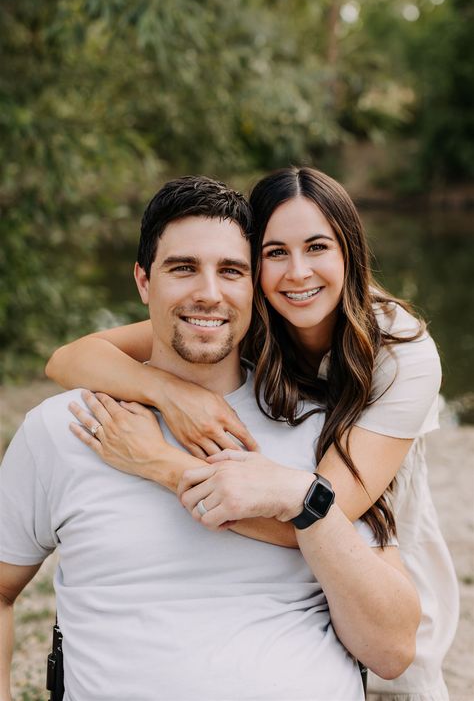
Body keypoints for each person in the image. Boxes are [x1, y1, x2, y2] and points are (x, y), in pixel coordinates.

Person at [0, 176, 420, 701]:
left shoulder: (323, 430)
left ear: (253, 289)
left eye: (231, 271)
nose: (209, 292)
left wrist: (301, 500)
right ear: (143, 282)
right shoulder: (68, 427)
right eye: (182, 268)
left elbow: (393, 649)